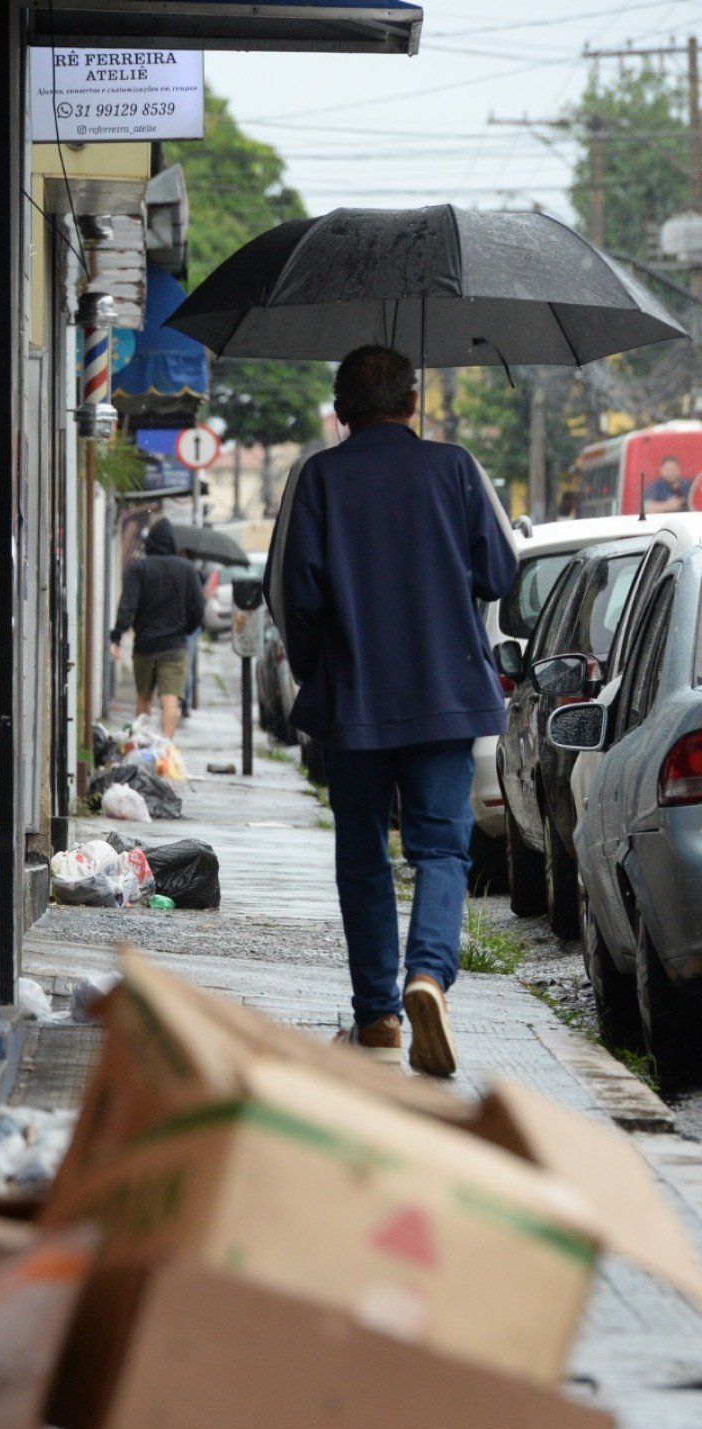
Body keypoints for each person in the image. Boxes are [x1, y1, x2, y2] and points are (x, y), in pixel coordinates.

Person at [273, 344, 517, 1077]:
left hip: (355, 702)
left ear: (341, 412)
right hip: (445, 697)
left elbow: (296, 596)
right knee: (442, 849)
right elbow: (501, 568)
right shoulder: (458, 469)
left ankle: (377, 1013)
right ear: (414, 404)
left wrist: (321, 675)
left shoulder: (318, 477)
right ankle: (428, 975)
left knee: (363, 855)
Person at [110, 518, 204, 740]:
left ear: (150, 542)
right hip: (174, 646)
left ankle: (142, 743)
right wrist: (187, 630)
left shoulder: (138, 568)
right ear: (172, 543)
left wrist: (117, 636)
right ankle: (166, 748)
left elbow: (127, 605)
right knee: (170, 700)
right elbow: (197, 608)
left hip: (144, 646)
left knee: (143, 698)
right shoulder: (187, 570)